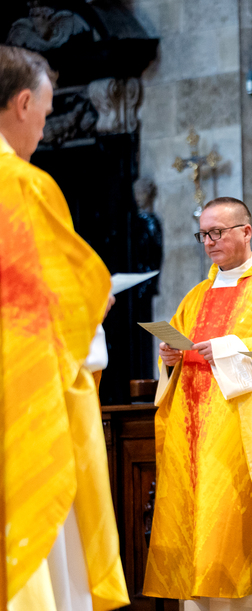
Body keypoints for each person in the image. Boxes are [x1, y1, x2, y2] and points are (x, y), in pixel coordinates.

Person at [0, 43, 129, 610]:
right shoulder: (21, 184)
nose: (44, 129)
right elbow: (52, 309)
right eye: (46, 114)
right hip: (23, 399)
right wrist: (92, 308)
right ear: (24, 103)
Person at [144, 197, 252, 609]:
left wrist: (231, 348)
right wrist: (170, 359)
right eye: (203, 234)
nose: (209, 242)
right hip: (191, 433)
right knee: (196, 534)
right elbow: (176, 353)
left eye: (217, 232)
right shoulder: (196, 295)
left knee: (233, 530)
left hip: (241, 435)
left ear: (245, 231)